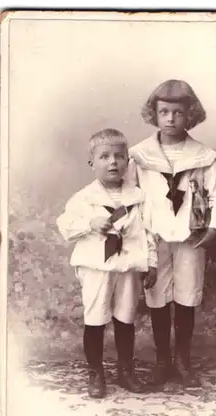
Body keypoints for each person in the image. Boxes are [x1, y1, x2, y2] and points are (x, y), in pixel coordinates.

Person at [127, 79, 216, 387]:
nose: (171, 119)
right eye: (164, 112)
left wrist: (213, 228)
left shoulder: (204, 157)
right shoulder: (139, 156)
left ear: (191, 115)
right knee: (157, 298)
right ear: (154, 114)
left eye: (178, 113)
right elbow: (129, 197)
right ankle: (162, 360)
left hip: (191, 237)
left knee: (186, 297)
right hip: (153, 239)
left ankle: (182, 360)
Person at [56, 128, 157, 398]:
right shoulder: (84, 199)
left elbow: (148, 232)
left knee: (125, 318)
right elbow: (65, 226)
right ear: (92, 163)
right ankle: (96, 373)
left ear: (127, 161)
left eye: (119, 156)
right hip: (97, 266)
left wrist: (152, 263)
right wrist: (90, 224)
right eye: (104, 156)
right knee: (96, 319)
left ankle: (125, 371)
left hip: (127, 266)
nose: (113, 162)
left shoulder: (137, 196)